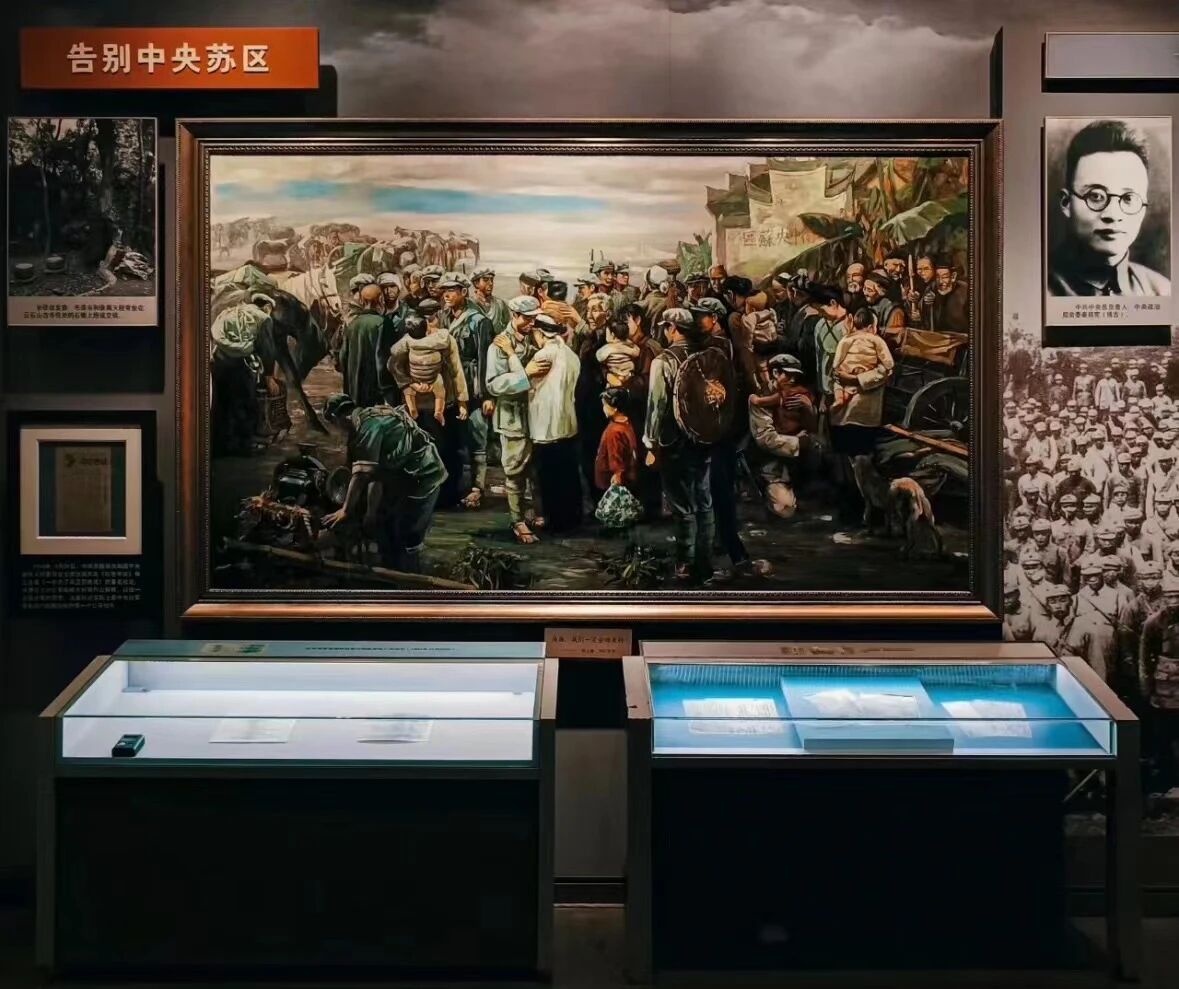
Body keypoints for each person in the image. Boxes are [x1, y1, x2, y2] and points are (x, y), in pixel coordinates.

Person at [321, 394, 446, 574]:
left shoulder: (367, 427)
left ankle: (408, 580)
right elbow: (376, 473)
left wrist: (346, 510)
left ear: (337, 417)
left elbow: (362, 475)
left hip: (423, 477)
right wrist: (370, 513)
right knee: (390, 528)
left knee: (407, 536)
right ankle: (394, 572)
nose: (338, 429)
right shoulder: (372, 415)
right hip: (412, 474)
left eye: (334, 424)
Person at [1048, 119, 1170, 297]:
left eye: (1128, 198)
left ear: (1143, 207)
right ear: (1066, 203)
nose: (1112, 215)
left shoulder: (1162, 291)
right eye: (1096, 196)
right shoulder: (1036, 288)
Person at [644, 307, 716, 583]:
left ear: (672, 328)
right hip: (704, 437)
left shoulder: (663, 361)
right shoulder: (707, 356)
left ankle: (685, 563)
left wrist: (651, 443)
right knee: (704, 501)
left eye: (666, 327)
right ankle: (705, 564)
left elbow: (656, 406)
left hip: (674, 440)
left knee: (682, 504)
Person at [486, 295, 547, 544]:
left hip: (535, 413)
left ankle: (535, 512)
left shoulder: (536, 337)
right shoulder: (499, 345)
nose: (532, 323)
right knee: (514, 470)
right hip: (512, 416)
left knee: (535, 468)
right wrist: (526, 374)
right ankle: (517, 520)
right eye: (527, 319)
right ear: (514, 316)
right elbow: (494, 384)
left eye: (534, 319)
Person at [438, 273, 495, 509]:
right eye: (444, 290)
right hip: (450, 386)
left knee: (477, 436)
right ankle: (454, 488)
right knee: (452, 439)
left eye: (452, 290)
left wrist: (487, 395)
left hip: (473, 386)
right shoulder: (443, 317)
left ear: (463, 292)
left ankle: (477, 489)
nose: (447, 295)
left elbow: (485, 359)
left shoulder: (479, 321)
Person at [528, 312, 582, 532]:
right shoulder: (571, 355)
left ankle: (555, 521)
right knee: (568, 474)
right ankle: (572, 518)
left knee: (549, 476)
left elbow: (527, 384)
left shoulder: (543, 356)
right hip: (567, 422)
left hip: (546, 425)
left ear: (540, 333)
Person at [830, 308, 893, 409]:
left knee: (838, 385)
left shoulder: (848, 338)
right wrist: (888, 365)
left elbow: (838, 358)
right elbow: (889, 362)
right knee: (851, 388)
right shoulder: (876, 339)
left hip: (848, 371)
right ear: (871, 327)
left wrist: (837, 366)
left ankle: (840, 398)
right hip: (864, 370)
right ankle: (844, 397)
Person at [339, 283, 387, 410]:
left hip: (353, 392)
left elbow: (343, 357)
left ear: (361, 300)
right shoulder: (383, 323)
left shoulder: (352, 324)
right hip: (376, 395)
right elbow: (383, 361)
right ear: (381, 299)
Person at [595, 386, 640, 495]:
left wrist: (618, 474)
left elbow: (615, 457)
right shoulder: (627, 423)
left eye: (605, 405)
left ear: (615, 408)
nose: (603, 408)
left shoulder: (614, 432)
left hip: (611, 482)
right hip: (628, 477)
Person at [927, 257, 969, 333]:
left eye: (944, 277)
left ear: (953, 277)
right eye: (937, 277)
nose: (940, 281)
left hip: (960, 336)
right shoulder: (932, 288)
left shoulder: (965, 291)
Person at [597, 321, 641, 387]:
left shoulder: (609, 348)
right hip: (628, 375)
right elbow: (637, 352)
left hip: (615, 374)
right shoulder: (629, 346)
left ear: (612, 335)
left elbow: (599, 357)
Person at [469, 267, 510, 333]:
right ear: (476, 283)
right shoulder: (469, 304)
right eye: (486, 280)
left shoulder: (500, 304)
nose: (490, 283)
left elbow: (508, 325)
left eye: (491, 280)